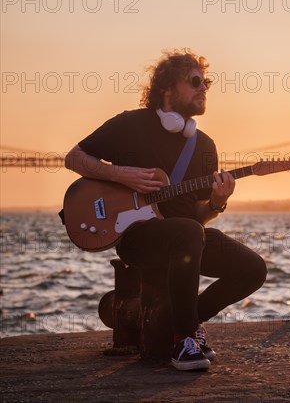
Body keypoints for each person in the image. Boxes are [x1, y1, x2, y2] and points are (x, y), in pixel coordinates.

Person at [65, 49, 267, 371]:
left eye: (207, 83)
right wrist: (120, 173)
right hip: (137, 237)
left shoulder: (204, 146)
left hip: (186, 237)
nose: (204, 88)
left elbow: (197, 215)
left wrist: (217, 202)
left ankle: (180, 324)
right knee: (188, 232)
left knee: (253, 268)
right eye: (195, 81)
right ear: (167, 89)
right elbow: (74, 158)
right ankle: (183, 340)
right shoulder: (130, 124)